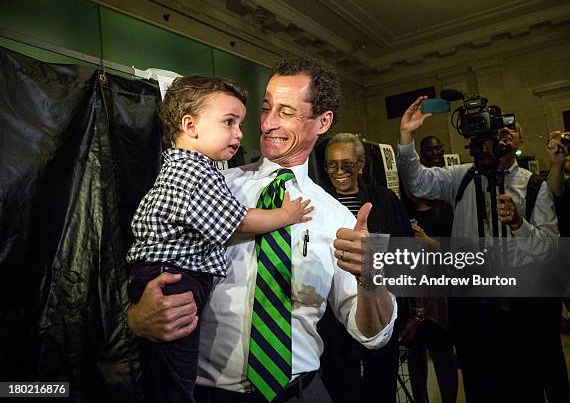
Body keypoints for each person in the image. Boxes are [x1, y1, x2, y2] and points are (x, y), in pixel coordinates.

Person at [127, 57, 397, 403]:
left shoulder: (338, 219)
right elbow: (145, 258)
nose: (267, 123)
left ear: (323, 121)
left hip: (299, 393)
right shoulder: (208, 189)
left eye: (285, 112)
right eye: (266, 108)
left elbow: (373, 335)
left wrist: (370, 276)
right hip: (201, 393)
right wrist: (135, 318)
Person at [125, 75, 313, 403]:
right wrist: (286, 215)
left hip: (176, 277)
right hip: (173, 281)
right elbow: (239, 220)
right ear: (190, 125)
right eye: (229, 122)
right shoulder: (195, 174)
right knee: (174, 380)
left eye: (240, 124)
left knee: (169, 374)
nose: (240, 134)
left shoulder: (198, 171)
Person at [397, 96, 559, 403]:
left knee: (523, 383)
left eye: (504, 133)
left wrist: (518, 224)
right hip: (470, 303)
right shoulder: (462, 177)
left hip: (518, 304)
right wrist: (407, 138)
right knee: (477, 380)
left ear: (516, 140)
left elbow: (549, 250)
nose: (494, 141)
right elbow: (417, 183)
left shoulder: (535, 186)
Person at [317, 132, 410, 403]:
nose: (339, 171)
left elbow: (405, 251)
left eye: (346, 164)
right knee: (342, 389)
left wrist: (410, 310)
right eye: (331, 165)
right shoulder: (319, 205)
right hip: (334, 320)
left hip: (380, 305)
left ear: (361, 164)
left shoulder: (386, 200)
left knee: (381, 388)